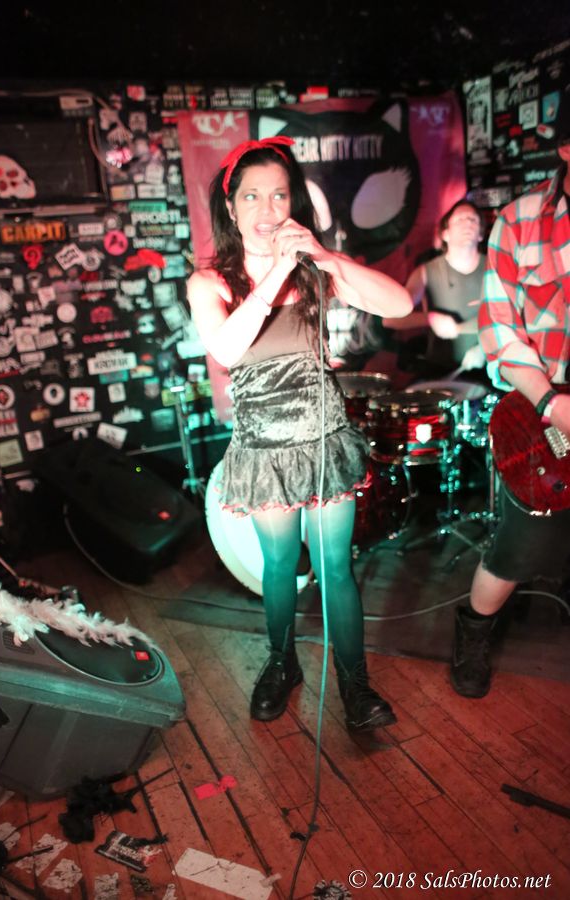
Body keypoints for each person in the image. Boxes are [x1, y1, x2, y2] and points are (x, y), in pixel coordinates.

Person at [187, 137, 412, 730]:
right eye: (252, 196)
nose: (267, 209)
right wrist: (279, 271)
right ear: (231, 207)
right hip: (264, 451)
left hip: (323, 442)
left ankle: (355, 684)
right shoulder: (208, 282)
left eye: (279, 195)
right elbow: (227, 348)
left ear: (293, 204)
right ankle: (282, 663)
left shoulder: (314, 269)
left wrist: (326, 258)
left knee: (336, 566)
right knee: (281, 563)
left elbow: (398, 302)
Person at [450, 113, 570, 699]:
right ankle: (472, 632)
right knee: (521, 544)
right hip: (539, 406)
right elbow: (500, 333)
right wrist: (552, 402)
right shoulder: (519, 222)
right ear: (566, 148)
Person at [384, 200, 487, 377]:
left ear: (481, 235)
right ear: (445, 233)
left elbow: (512, 316)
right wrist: (429, 319)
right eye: (460, 219)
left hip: (488, 371)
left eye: (473, 219)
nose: (467, 223)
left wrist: (485, 349)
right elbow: (391, 319)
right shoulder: (426, 272)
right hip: (440, 371)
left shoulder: (494, 267)